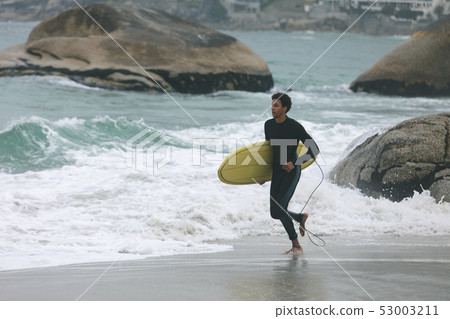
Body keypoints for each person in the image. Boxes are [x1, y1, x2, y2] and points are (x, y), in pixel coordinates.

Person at [263, 92, 320, 254]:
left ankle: (296, 244)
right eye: (272, 104)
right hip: (276, 172)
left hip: (291, 172)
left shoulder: (294, 127)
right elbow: (269, 151)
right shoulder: (268, 125)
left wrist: (294, 163)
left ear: (285, 109)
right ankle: (300, 217)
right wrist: (263, 175)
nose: (272, 108)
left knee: (280, 208)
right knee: (275, 213)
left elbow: (314, 149)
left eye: (276, 105)